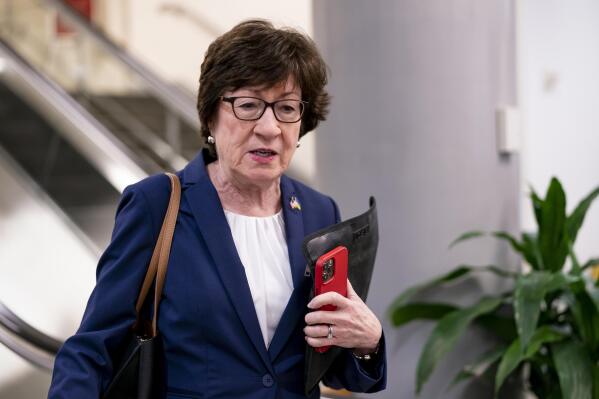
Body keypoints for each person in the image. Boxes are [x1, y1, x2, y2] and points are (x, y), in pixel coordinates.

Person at [48, 19, 386, 398]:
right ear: (211, 116)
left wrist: (368, 343)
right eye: (248, 106)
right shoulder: (157, 204)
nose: (269, 127)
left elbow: (334, 366)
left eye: (287, 108)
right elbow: (91, 350)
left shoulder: (318, 211)